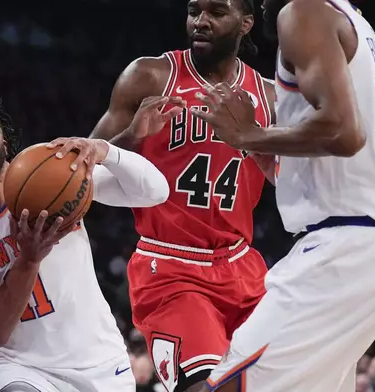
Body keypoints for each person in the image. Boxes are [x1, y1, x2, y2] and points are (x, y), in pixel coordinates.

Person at [194, 0, 375, 391]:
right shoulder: (361, 30)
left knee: (230, 385)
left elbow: (343, 133)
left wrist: (247, 135)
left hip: (348, 247)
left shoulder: (302, 11)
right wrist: (276, 161)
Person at [90, 0, 274, 390]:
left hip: (241, 266)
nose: (200, 21)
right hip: (170, 266)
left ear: (246, 23)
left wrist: (255, 140)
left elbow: (293, 184)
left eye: (216, 12)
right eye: (194, 11)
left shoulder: (269, 97)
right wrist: (132, 137)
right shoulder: (150, 76)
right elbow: (83, 164)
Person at [0, 97, 171, 392]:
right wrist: (28, 260)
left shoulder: (52, 173)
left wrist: (106, 151)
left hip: (101, 363)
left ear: (4, 139)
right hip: (21, 368)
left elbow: (156, 192)